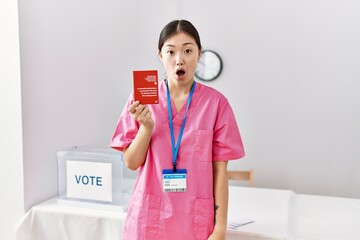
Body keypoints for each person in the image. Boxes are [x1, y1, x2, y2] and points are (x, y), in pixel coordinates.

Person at [110, 19, 245, 240]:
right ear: (160, 56)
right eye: (170, 52)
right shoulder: (141, 100)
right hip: (149, 217)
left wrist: (219, 227)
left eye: (188, 50)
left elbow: (220, 171)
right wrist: (146, 128)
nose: (179, 60)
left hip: (195, 219)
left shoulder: (217, 104)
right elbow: (132, 162)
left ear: (199, 54)